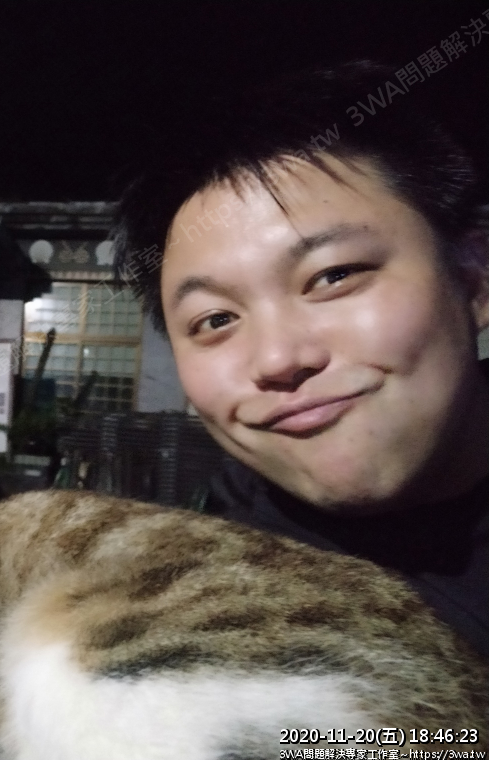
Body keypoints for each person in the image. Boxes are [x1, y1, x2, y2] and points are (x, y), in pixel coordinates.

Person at [114, 61, 489, 658]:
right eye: (216, 320)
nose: (278, 358)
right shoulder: (194, 618)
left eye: (333, 276)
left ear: (473, 277)